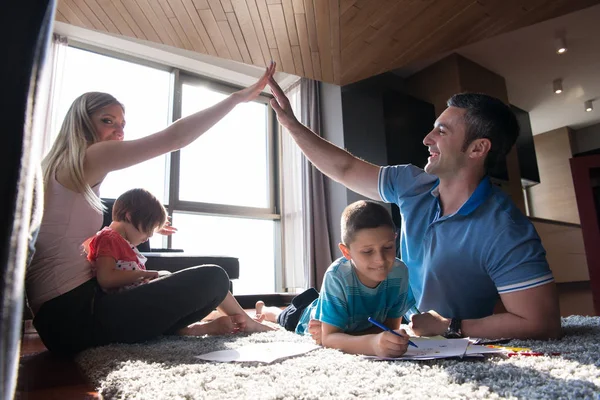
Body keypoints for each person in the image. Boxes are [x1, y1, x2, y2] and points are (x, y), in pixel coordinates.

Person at [267, 77, 561, 341]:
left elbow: (542, 323)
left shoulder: (505, 229)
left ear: (477, 149)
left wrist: (450, 325)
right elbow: (345, 167)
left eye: (441, 132)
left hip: (414, 331)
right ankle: (275, 312)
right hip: (379, 314)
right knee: (293, 316)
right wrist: (291, 124)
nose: (427, 139)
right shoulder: (411, 183)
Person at [25, 62, 276, 355]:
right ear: (82, 121)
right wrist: (235, 99)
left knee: (188, 282)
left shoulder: (55, 171)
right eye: (108, 121)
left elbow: (94, 232)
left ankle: (197, 329)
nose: (119, 131)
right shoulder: (88, 157)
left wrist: (149, 226)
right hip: (75, 314)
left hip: (59, 321)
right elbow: (175, 138)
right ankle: (238, 321)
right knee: (215, 277)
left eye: (122, 125)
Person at [255, 200, 415, 357]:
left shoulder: (399, 272)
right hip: (305, 315)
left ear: (395, 239)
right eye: (367, 251)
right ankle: (264, 309)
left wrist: (346, 336)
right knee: (282, 317)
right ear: (346, 252)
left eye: (388, 247)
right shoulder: (337, 275)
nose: (380, 260)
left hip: (339, 314)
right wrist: (372, 344)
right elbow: (329, 339)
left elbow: (389, 327)